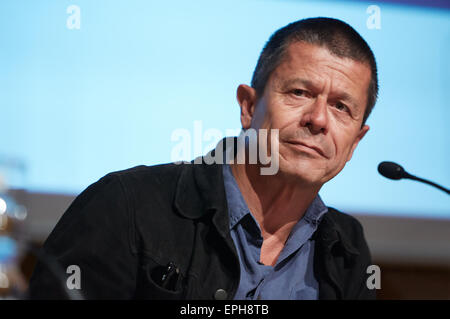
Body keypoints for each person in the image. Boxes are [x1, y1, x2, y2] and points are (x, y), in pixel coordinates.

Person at [29, 17, 378, 300]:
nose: (317, 119)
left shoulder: (347, 250)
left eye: (341, 107)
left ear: (356, 140)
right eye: (300, 93)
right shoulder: (125, 206)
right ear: (249, 106)